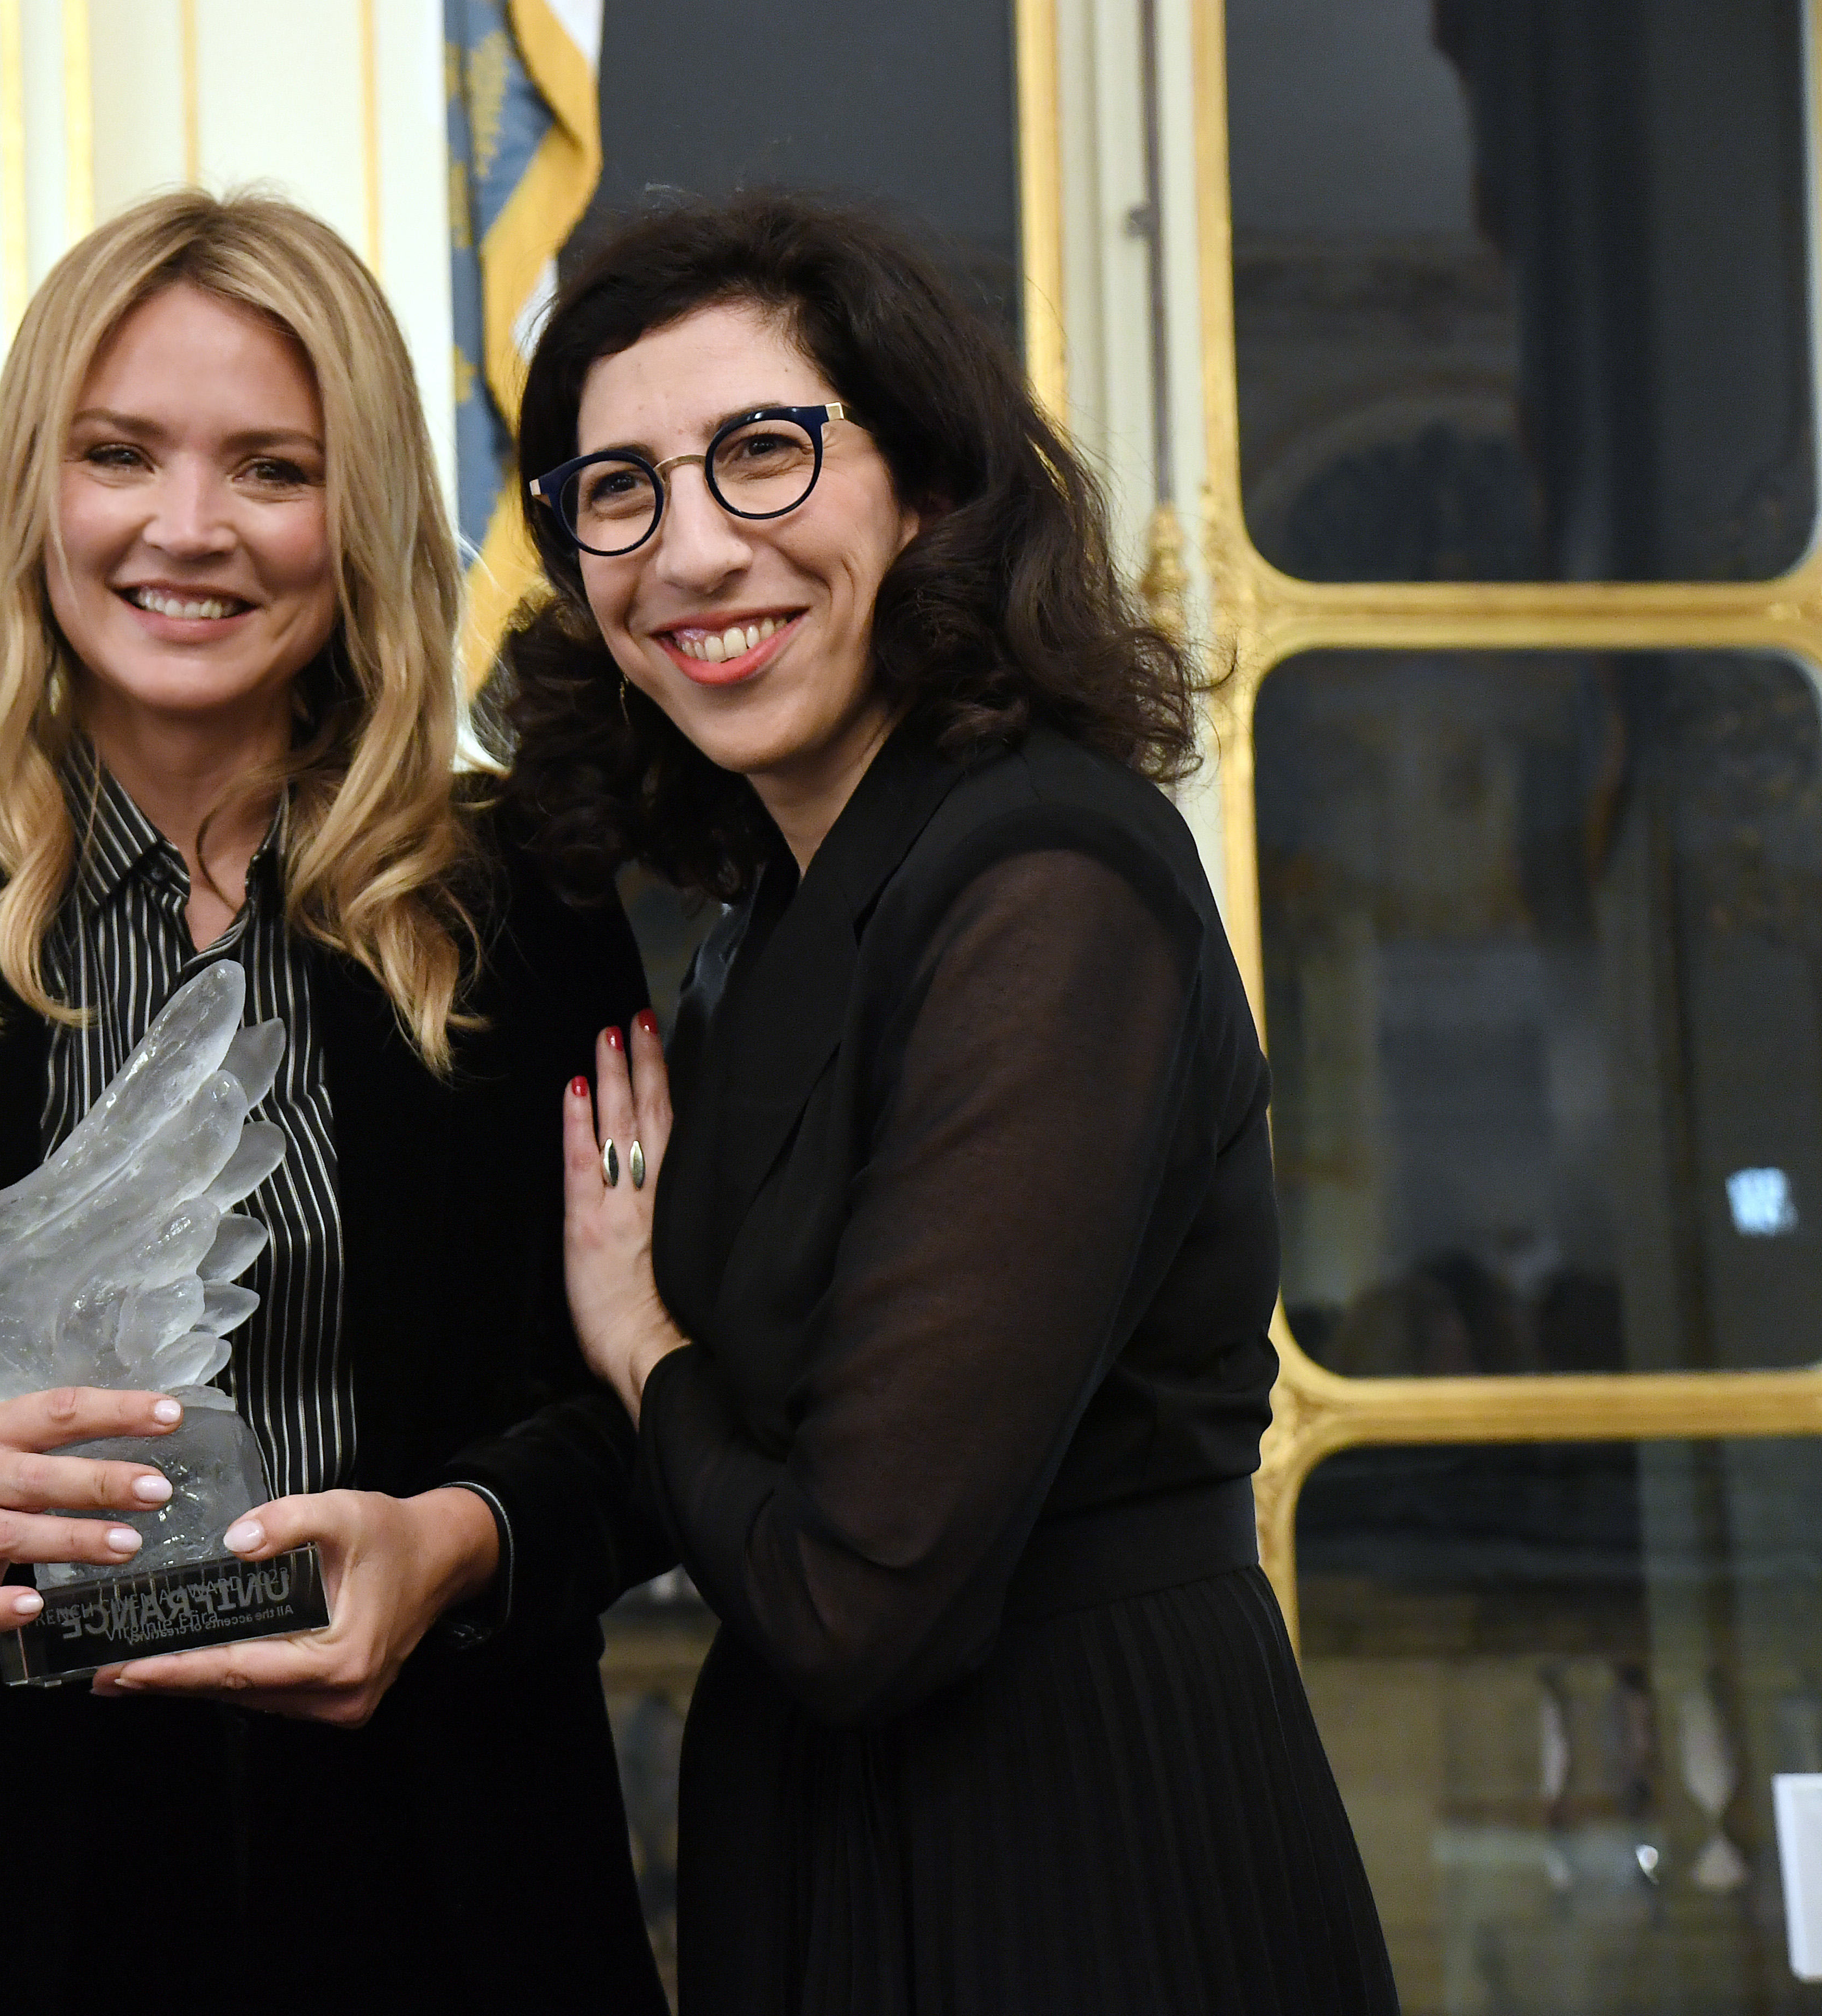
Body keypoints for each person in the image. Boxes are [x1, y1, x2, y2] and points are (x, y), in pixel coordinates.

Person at [0, 190, 666, 2014]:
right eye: (118, 454)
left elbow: (643, 1423)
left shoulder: (528, 903)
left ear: (360, 517)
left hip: (449, 1903)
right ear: (36, 495)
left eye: (268, 468)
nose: (185, 527)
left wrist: (450, 1541)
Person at [483, 193, 1398, 2014]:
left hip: (1080, 1857)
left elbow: (848, 1596)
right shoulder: (777, 901)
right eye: (615, 491)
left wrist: (634, 1336)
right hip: (836, 1844)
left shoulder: (1042, 876)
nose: (685, 552)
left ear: (921, 482)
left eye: (758, 453)